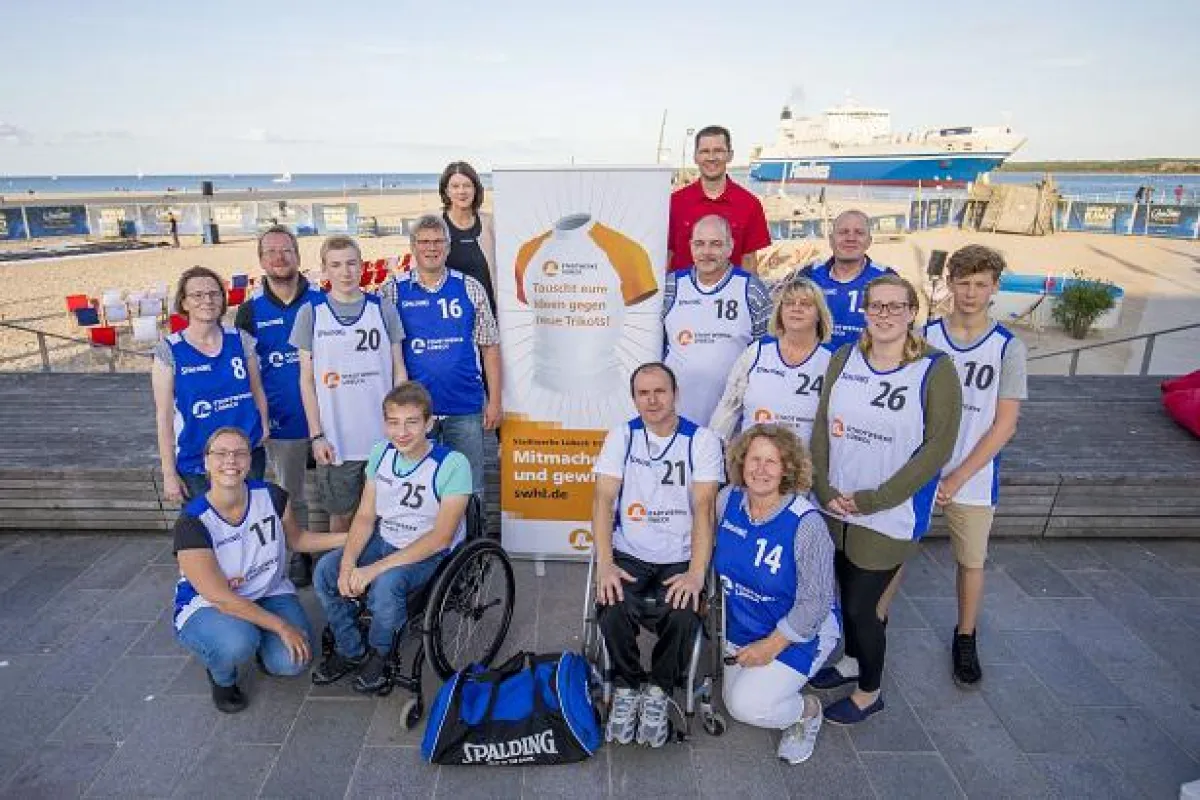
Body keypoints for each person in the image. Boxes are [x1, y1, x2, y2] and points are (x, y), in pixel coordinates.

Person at [808, 275, 962, 724]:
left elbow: (937, 448)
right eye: (877, 306)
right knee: (844, 595)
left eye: (896, 306)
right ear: (865, 311)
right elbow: (822, 428)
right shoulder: (844, 357)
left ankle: (869, 692)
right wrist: (824, 489)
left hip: (888, 512)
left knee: (862, 607)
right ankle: (853, 661)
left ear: (912, 311)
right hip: (837, 506)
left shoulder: (936, 369)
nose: (886, 314)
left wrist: (877, 499)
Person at [591, 362, 723, 748]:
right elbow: (602, 499)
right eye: (643, 393)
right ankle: (629, 685)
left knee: (683, 611)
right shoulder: (622, 436)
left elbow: (704, 508)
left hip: (680, 552)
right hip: (630, 550)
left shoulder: (701, 440)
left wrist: (697, 574)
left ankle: (660, 691)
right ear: (634, 398)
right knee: (611, 603)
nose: (652, 399)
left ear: (675, 393)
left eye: (659, 391)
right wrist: (605, 564)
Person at [173, 427, 347, 713]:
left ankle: (260, 641)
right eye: (221, 453)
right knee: (237, 643)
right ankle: (222, 675)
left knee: (293, 663)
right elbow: (222, 598)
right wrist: (281, 626)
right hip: (211, 604)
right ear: (206, 462)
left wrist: (351, 538)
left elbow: (298, 539)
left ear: (250, 460)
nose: (231, 460)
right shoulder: (192, 522)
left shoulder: (272, 496)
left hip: (268, 591)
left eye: (240, 453)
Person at [311, 382, 471, 694]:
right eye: (394, 423)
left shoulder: (453, 464)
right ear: (385, 424)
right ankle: (350, 648)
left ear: (429, 423)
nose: (402, 432)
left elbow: (441, 538)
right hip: (385, 537)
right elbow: (366, 516)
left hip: (426, 551)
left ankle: (381, 654)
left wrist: (373, 569)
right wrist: (347, 564)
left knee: (386, 586)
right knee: (326, 572)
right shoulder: (380, 453)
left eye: (412, 422)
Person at [923, 245, 1027, 685]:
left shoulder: (1007, 347)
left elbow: (1005, 424)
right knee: (893, 554)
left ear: (994, 287)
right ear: (950, 284)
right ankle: (878, 627)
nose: (970, 293)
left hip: (974, 476)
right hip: (922, 471)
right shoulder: (926, 335)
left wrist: (960, 474)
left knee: (971, 562)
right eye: (963, 283)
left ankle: (966, 637)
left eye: (980, 284)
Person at [715, 424, 840, 764]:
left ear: (788, 469)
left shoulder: (806, 524)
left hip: (800, 632)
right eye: (754, 459)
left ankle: (806, 712)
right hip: (744, 628)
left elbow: (816, 602)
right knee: (733, 698)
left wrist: (772, 646)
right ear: (741, 463)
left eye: (772, 461)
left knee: (746, 706)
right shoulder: (727, 502)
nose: (760, 469)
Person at [290, 235, 407, 539]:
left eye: (351, 263)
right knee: (341, 522)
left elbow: (399, 371)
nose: (345, 271)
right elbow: (306, 381)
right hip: (337, 443)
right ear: (324, 270)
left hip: (383, 441)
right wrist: (316, 436)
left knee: (386, 519)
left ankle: (378, 578)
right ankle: (341, 580)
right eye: (336, 265)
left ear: (362, 266)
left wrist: (401, 429)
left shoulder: (382, 309)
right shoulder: (311, 314)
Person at [380, 215, 500, 506]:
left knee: (470, 487)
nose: (431, 248)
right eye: (424, 242)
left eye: (438, 242)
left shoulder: (470, 287)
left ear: (447, 247)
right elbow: (383, 352)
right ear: (413, 246)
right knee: (420, 486)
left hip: (465, 406)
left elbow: (490, 348)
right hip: (414, 413)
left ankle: (473, 548)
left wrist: (495, 400)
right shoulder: (392, 290)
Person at [235, 225, 324, 586]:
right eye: (271, 252)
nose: (279, 257)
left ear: (298, 256)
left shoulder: (321, 302)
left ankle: (339, 549)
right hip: (282, 421)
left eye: (286, 250)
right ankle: (299, 553)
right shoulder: (249, 311)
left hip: (327, 417)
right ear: (261, 261)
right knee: (291, 494)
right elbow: (242, 370)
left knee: (337, 492)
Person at [153, 265, 270, 503]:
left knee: (250, 518)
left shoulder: (241, 339)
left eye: (214, 293)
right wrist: (169, 473)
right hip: (198, 460)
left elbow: (257, 389)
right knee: (210, 530)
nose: (207, 300)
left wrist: (264, 425)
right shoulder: (169, 350)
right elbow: (163, 416)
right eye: (197, 295)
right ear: (184, 303)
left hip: (245, 451)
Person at [663, 214, 771, 425]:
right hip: (676, 417)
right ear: (690, 246)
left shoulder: (752, 289)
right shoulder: (671, 286)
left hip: (730, 420)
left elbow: (765, 352)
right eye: (700, 244)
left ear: (730, 247)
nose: (706, 252)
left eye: (715, 244)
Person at [710, 276, 835, 446]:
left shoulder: (832, 360)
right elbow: (728, 407)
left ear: (819, 314)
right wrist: (714, 451)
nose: (796, 309)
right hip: (754, 462)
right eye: (789, 303)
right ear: (779, 311)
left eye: (805, 304)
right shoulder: (757, 351)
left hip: (805, 467)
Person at [667, 125, 771, 274]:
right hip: (682, 295)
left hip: (730, 297)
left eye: (718, 151)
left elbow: (749, 262)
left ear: (730, 155)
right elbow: (667, 256)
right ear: (695, 157)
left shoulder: (749, 204)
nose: (711, 158)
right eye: (704, 151)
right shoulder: (675, 203)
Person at [797, 210, 896, 349]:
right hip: (815, 363)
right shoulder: (809, 275)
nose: (851, 238)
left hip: (867, 364)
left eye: (859, 233)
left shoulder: (887, 278)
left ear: (869, 241)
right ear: (831, 240)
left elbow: (900, 329)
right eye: (843, 232)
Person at [439, 161, 498, 314]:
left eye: (467, 185)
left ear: (475, 189)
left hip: (487, 315)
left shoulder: (491, 223)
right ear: (446, 191)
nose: (461, 191)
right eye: (455, 186)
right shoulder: (435, 225)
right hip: (448, 316)